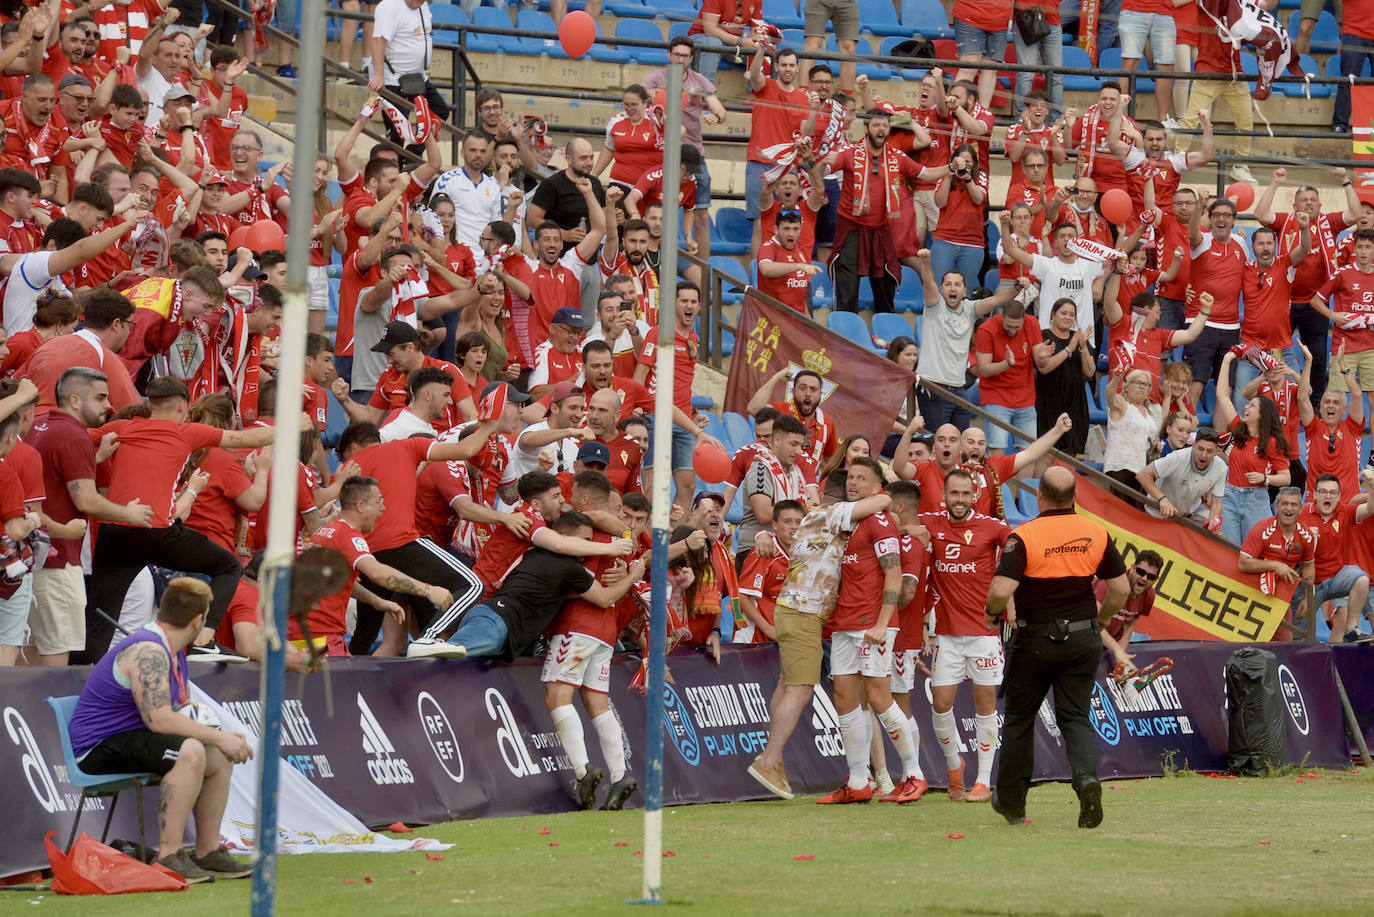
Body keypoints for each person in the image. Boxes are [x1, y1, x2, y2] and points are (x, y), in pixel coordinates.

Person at [66, 577, 255, 882]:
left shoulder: (172, 647)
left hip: (129, 737)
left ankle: (207, 851)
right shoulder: (150, 650)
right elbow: (160, 720)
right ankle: (169, 856)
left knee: (217, 755)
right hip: (98, 747)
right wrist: (219, 735)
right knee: (191, 750)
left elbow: (175, 714)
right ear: (198, 621)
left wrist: (220, 740)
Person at [986, 467, 1129, 828]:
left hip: (1035, 639)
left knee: (1020, 718)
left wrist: (993, 613)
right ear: (1075, 497)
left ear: (1040, 496)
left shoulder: (1025, 535)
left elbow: (1001, 592)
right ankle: (1086, 780)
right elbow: (1122, 590)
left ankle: (1013, 803)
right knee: (1075, 717)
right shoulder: (1096, 532)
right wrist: (1102, 619)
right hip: (1083, 638)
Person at [746, 469, 893, 799]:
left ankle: (774, 758)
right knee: (799, 690)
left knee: (787, 685)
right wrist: (876, 493)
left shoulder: (817, 516)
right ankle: (770, 759)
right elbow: (883, 499)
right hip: (803, 613)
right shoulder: (833, 513)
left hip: (792, 609)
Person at [816, 458, 926, 805]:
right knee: (846, 699)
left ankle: (914, 774)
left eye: (862, 478)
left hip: (871, 625)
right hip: (844, 624)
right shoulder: (851, 523)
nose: (853, 482)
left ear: (878, 488)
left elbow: (893, 574)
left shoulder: (880, 522)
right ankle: (859, 781)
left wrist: (882, 622)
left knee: (879, 697)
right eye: (851, 476)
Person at [420, 511, 646, 660]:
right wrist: (632, 575)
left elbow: (557, 594)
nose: (587, 548)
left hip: (494, 619)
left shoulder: (537, 552)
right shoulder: (568, 567)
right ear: (565, 537)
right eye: (585, 541)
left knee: (450, 663)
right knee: (437, 658)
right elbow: (605, 598)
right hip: (495, 623)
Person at [921, 468, 1011, 803]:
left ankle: (984, 781)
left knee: (985, 704)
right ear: (944, 496)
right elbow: (904, 523)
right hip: (946, 635)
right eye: (953, 494)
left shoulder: (993, 527)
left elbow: (1018, 551)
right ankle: (954, 765)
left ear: (975, 496)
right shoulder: (932, 522)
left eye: (964, 494)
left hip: (984, 635)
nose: (959, 500)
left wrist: (1010, 600)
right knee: (940, 705)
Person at [823, 108, 922, 314]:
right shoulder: (849, 153)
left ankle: (886, 328)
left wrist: (951, 169)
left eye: (885, 125)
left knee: (886, 278)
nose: (882, 129)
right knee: (847, 281)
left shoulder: (896, 157)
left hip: (881, 227)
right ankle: (845, 329)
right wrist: (822, 162)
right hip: (851, 226)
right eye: (877, 125)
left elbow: (926, 173)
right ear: (866, 128)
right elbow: (822, 171)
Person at [912, 248, 1022, 430]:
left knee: (961, 442)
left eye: (957, 284)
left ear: (965, 290)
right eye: (948, 284)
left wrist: (1017, 287)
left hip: (959, 389)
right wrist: (925, 261)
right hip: (933, 387)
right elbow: (929, 283)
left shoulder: (970, 309)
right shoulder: (934, 306)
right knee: (935, 441)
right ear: (942, 289)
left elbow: (997, 300)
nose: (952, 288)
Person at [1215, 350, 1292, 545]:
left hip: (1256, 499)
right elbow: (1222, 395)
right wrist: (1227, 359)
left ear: (1263, 414)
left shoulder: (1273, 442)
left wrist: (1265, 478)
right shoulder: (1239, 429)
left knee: (1256, 550)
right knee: (1229, 551)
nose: (1246, 408)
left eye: (1252, 405)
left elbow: (1286, 477)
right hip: (1230, 496)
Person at [1299, 471, 1374, 642]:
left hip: (1337, 579)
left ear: (1339, 496)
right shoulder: (1301, 514)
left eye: (1333, 492)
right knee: (1298, 634)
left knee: (1361, 579)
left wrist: (1372, 485)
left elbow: (1370, 508)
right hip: (1310, 583)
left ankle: (1352, 629)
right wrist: (1303, 535)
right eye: (1323, 491)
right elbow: (1286, 542)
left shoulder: (1345, 512)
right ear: (1315, 494)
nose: (1328, 496)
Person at [368, 0, 448, 153]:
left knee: (440, 111)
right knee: (399, 128)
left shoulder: (422, 6)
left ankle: (412, 154)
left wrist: (424, 68)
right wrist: (379, 76)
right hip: (392, 77)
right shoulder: (389, 6)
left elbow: (422, 36)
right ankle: (393, 169)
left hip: (417, 77)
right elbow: (378, 40)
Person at [1238, 487, 1316, 642]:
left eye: (1294, 504)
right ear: (1276, 507)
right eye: (1284, 503)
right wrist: (1275, 565)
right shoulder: (1262, 529)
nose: (1289, 508)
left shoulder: (1306, 536)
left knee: (1286, 640)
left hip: (1286, 592)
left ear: (1300, 509)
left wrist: (1308, 598)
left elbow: (1308, 565)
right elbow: (1243, 563)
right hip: (1255, 589)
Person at [974, 298, 1040, 456]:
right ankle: (998, 482)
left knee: (1028, 451)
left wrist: (1043, 356)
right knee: (997, 448)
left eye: (1017, 327)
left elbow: (1040, 358)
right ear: (1001, 317)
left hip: (1025, 397)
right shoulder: (986, 329)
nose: (1012, 331)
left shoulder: (1032, 324)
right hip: (995, 396)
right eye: (1009, 326)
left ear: (1024, 319)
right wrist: (1007, 364)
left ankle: (1026, 482)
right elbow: (984, 369)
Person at [1033, 298, 1094, 457]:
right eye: (1063, 313)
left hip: (1074, 401)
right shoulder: (1043, 336)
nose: (1068, 317)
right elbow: (1044, 368)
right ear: (1053, 314)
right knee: (1047, 453)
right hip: (1049, 399)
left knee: (1070, 454)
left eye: (1072, 314)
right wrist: (1069, 349)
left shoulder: (1078, 338)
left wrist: (1082, 347)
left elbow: (1090, 372)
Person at [1136, 427, 1226, 526]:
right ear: (1193, 445)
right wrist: (1162, 499)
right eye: (1200, 449)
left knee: (1214, 528)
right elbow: (1142, 475)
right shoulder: (1178, 457)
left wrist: (1213, 525)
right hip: (1158, 514)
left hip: (1188, 515)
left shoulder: (1221, 467)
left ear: (1217, 451)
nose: (1204, 455)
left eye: (1209, 451)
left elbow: (1217, 502)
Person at [1098, 549, 1163, 672]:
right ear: (1132, 568)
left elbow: (1129, 625)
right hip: (1085, 634)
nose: (1144, 578)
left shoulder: (1149, 595)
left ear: (1156, 580)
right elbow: (1092, 624)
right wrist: (1117, 649)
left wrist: (1121, 657)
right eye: (1140, 572)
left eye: (1150, 576)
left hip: (1108, 643)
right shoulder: (1112, 583)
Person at [1103, 368, 1162, 503]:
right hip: (1120, 465)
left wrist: (1156, 445)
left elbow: (1153, 439)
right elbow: (1110, 396)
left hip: (1141, 470)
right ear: (1127, 387)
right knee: (1119, 510)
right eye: (1137, 383)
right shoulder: (1123, 405)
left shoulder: (1150, 413)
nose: (1141, 387)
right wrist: (1116, 378)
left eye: (1146, 384)